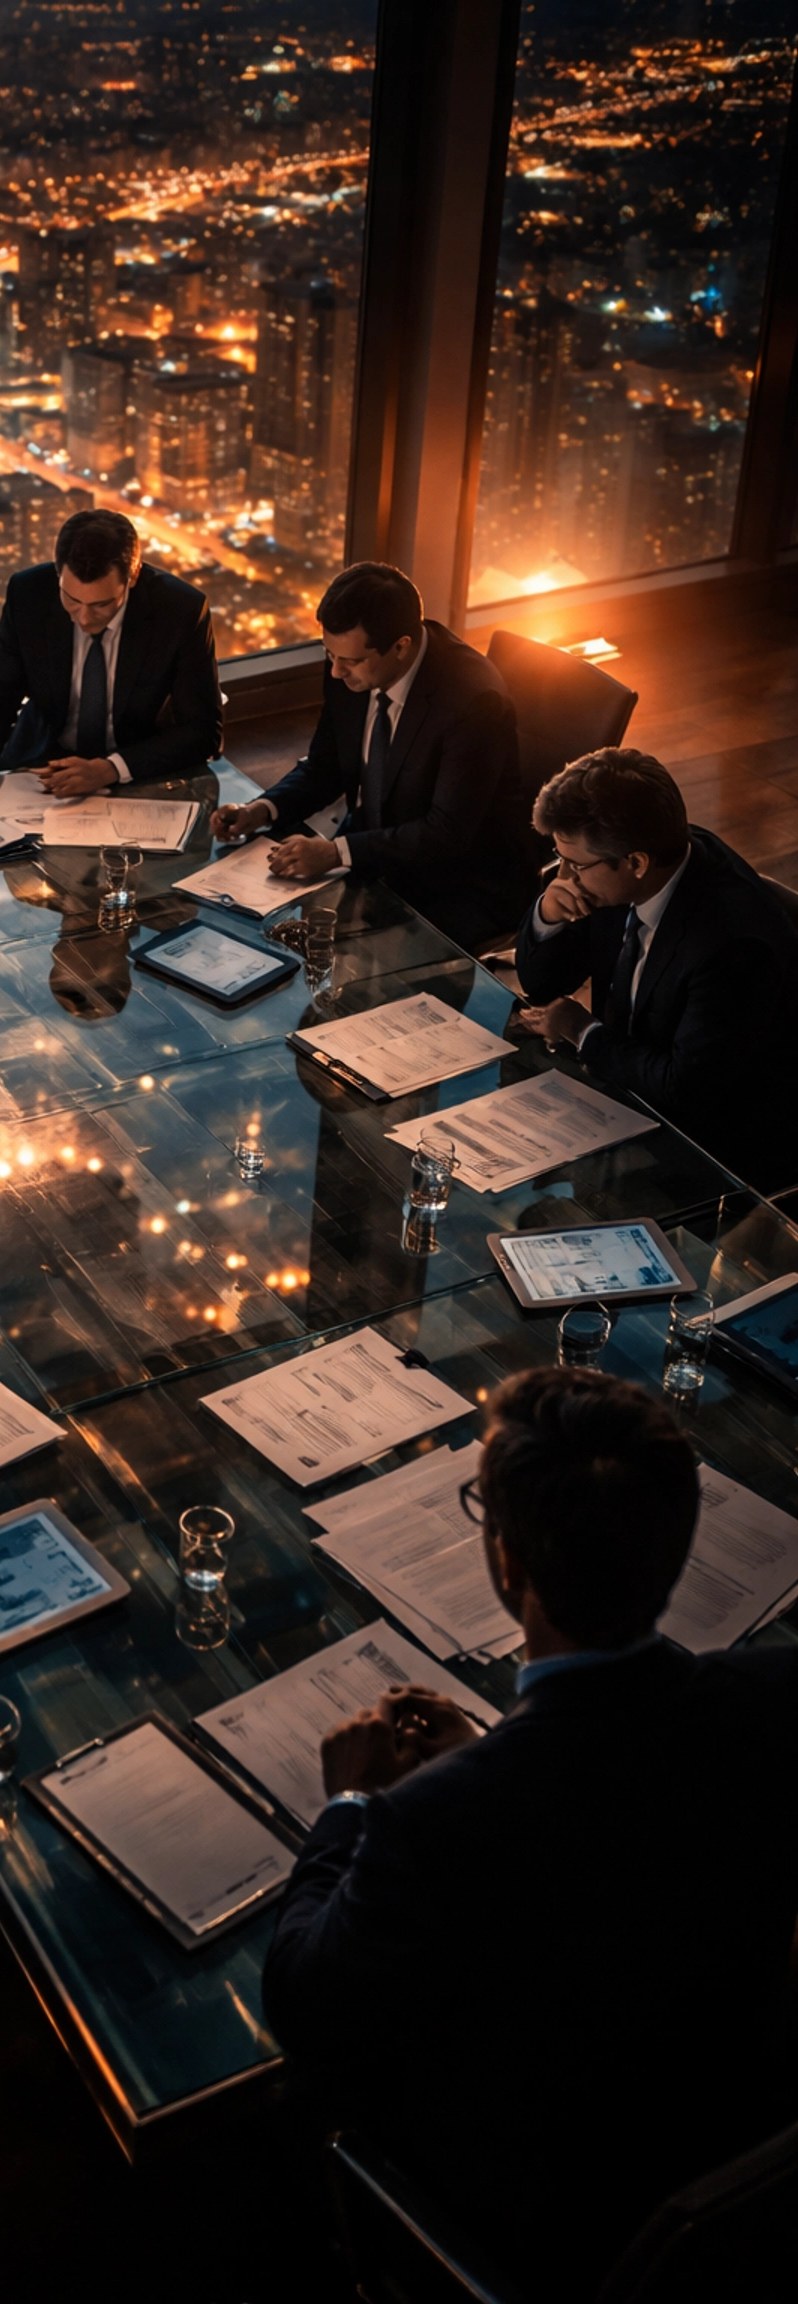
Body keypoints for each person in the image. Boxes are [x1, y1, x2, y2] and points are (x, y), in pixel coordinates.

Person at [263, 1367, 798, 2294]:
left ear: (508, 1563)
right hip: (727, 2135)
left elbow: (304, 2003)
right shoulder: (777, 1698)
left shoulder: (424, 1826)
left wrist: (348, 1807)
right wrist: (496, 1751)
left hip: (541, 2218)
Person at [514, 747, 798, 1193]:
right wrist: (549, 913)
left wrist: (581, 1030)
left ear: (636, 863)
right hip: (630, 1093)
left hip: (715, 1150)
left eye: (576, 865)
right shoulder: (628, 867)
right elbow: (542, 983)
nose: (564, 874)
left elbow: (684, 1091)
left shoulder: (732, 945)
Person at [209, 562, 532, 951]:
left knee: (327, 958)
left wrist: (337, 852)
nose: (335, 672)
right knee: (259, 935)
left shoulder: (473, 701)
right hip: (377, 847)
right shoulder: (351, 665)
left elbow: (445, 835)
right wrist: (261, 809)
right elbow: (325, 765)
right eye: (329, 653)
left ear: (401, 647)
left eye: (349, 661)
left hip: (457, 882)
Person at [0, 507, 223, 808]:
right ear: (58, 573)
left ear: (132, 576)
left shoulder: (180, 610)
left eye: (102, 604)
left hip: (137, 766)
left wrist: (111, 769)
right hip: (41, 763)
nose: (83, 617)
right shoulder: (28, 593)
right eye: (71, 599)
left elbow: (202, 730)